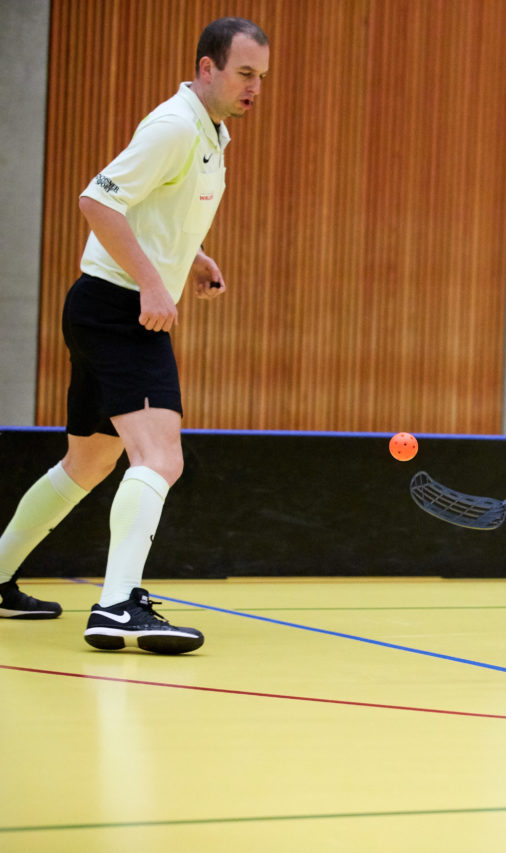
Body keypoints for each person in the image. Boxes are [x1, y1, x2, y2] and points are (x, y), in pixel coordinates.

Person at [0, 18, 270, 654]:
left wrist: (190, 257)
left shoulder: (211, 131)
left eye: (261, 77)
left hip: (103, 306)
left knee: (88, 464)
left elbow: (150, 209)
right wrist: (153, 283)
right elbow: (97, 202)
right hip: (121, 312)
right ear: (207, 68)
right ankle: (117, 606)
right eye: (244, 73)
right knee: (160, 458)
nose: (254, 87)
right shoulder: (174, 127)